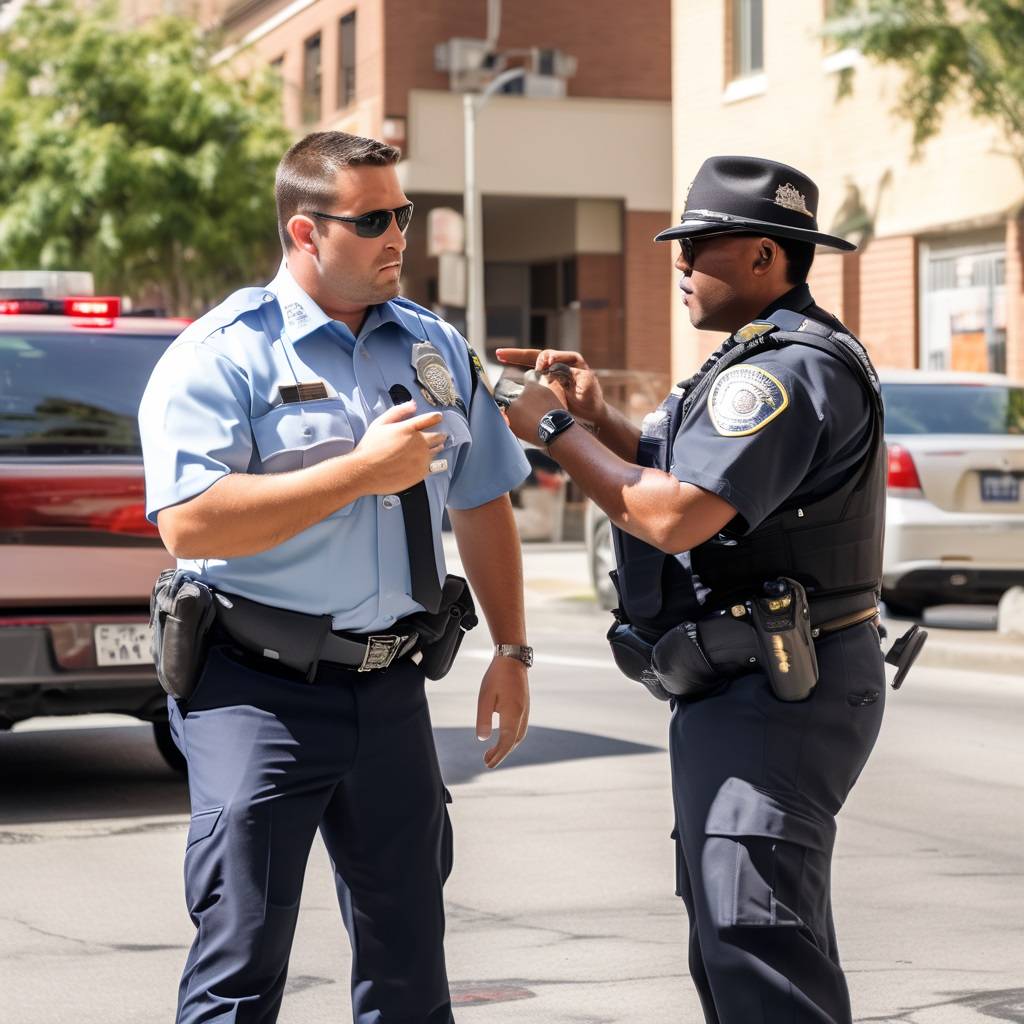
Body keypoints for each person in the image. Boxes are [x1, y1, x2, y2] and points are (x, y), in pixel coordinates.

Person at [139, 130, 533, 1024]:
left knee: (408, 966)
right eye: (374, 220)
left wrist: (512, 648)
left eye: (404, 213)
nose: (400, 234)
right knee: (240, 960)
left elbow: (481, 499)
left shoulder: (433, 345)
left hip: (391, 689)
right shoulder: (224, 353)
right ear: (306, 234)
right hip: (254, 689)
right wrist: (358, 472)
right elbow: (189, 522)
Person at [498, 155, 887, 1023]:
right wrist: (599, 420)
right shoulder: (757, 356)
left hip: (779, 687)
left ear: (764, 257)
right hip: (753, 682)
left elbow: (671, 516)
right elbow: (695, 478)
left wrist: (555, 431)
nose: (678, 264)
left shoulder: (781, 373)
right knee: (736, 940)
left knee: (761, 951)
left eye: (700, 246)